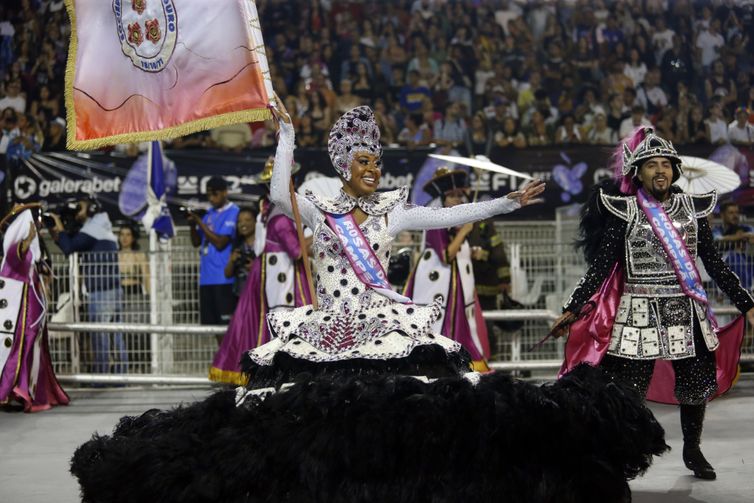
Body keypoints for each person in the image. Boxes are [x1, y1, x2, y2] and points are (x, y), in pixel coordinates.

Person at [71, 101, 668, 503]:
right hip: (329, 326)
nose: (373, 167)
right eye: (363, 160)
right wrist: (285, 137)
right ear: (344, 165)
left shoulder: (391, 209)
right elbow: (278, 193)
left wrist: (506, 204)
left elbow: (446, 214)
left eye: (377, 160)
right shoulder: (320, 208)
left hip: (387, 319)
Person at [554, 126, 754, 481]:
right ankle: (621, 456)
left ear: (674, 171)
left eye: (665, 164)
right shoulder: (625, 211)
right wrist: (572, 307)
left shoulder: (693, 210)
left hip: (686, 310)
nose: (659, 170)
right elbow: (601, 267)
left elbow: (715, 264)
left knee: (695, 388)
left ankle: (692, 449)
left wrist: (747, 304)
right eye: (651, 165)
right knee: (627, 395)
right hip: (637, 313)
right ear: (638, 173)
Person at [210, 178, 312, 385]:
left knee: (261, 325)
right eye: (292, 184)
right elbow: (297, 251)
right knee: (283, 325)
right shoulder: (281, 219)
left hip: (271, 276)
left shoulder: (271, 214)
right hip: (280, 282)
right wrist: (321, 232)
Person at [403, 167, 490, 371]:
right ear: (443, 198)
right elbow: (446, 255)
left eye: (460, 195)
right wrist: (465, 231)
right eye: (452, 196)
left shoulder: (455, 221)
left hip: (456, 291)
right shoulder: (435, 221)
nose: (457, 199)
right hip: (438, 290)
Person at [0, 205, 69, 411]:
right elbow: (16, 256)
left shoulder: (30, 249)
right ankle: (18, 390)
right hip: (23, 308)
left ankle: (26, 390)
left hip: (33, 306)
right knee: (23, 346)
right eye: (34, 220)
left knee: (33, 347)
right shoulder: (15, 247)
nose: (38, 225)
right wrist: (28, 239)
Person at [49, 197, 126, 374]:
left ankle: (102, 377)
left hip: (101, 292)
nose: (77, 212)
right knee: (116, 335)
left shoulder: (93, 227)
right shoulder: (100, 226)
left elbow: (70, 248)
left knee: (100, 336)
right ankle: (121, 375)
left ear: (91, 209)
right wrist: (58, 232)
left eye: (80, 208)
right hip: (112, 289)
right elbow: (70, 245)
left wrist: (59, 223)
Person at [187, 176, 240, 343]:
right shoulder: (208, 213)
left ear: (225, 192)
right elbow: (196, 242)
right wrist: (192, 225)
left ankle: (232, 364)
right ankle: (223, 365)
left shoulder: (234, 211)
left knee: (227, 328)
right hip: (206, 279)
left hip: (223, 278)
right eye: (208, 195)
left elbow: (220, 243)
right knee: (214, 328)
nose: (211, 198)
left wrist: (199, 222)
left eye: (215, 194)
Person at [117, 223, 150, 371]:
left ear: (133, 237)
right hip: (119, 294)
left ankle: (143, 361)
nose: (124, 238)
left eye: (128, 235)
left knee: (139, 329)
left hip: (135, 293)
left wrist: (149, 297)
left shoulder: (139, 255)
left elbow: (147, 277)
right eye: (122, 234)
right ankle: (128, 362)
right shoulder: (114, 255)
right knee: (124, 329)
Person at [712, 200, 754, 290]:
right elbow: (717, 240)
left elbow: (752, 237)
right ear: (722, 215)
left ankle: (748, 290)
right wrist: (740, 237)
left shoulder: (745, 227)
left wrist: (735, 237)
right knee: (733, 256)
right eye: (731, 213)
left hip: (745, 259)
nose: (735, 216)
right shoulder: (717, 230)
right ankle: (747, 291)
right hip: (724, 262)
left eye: (737, 213)